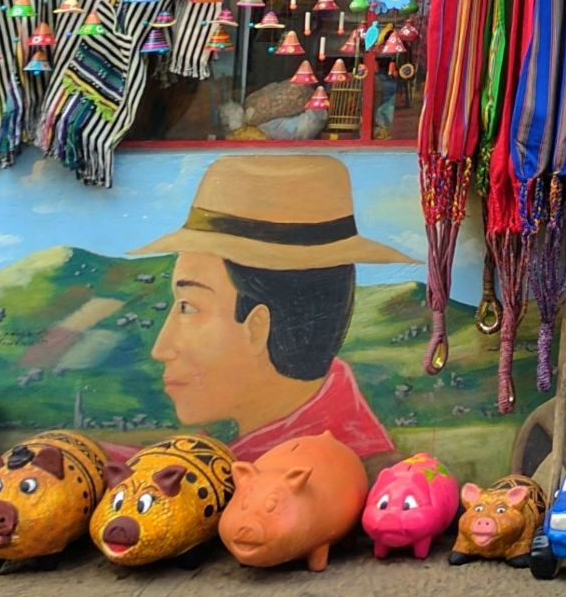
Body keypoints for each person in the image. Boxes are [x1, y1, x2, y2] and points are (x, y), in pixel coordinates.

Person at [135, 151, 414, 465]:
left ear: (257, 326)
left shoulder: (319, 475)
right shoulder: (254, 451)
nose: (161, 348)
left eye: (188, 307)